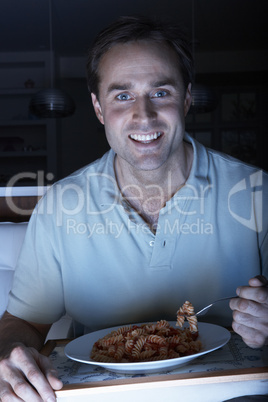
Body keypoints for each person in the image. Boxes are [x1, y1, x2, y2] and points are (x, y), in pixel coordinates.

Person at [0, 15, 267, 401]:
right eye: (122, 95)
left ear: (188, 97)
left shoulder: (258, 193)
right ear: (97, 107)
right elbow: (24, 322)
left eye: (161, 92)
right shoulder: (60, 205)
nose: (144, 115)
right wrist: (11, 356)